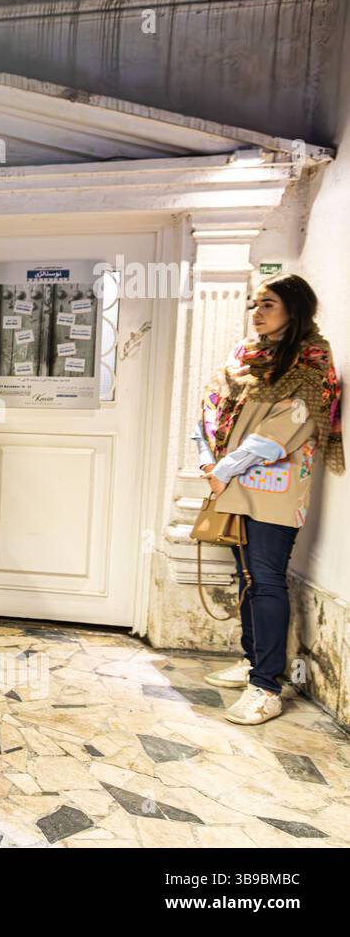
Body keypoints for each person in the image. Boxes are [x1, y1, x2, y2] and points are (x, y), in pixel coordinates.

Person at [194, 274, 343, 725]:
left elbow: (284, 429)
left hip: (274, 489)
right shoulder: (246, 355)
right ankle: (253, 659)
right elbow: (211, 403)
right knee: (246, 577)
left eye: (268, 304)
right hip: (232, 481)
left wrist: (221, 470)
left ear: (294, 311)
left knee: (266, 578)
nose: (257, 313)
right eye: (254, 304)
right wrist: (206, 459)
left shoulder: (312, 361)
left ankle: (266, 688)